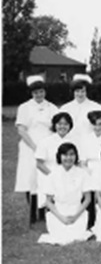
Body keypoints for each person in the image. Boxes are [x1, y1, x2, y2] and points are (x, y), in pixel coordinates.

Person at [14, 75, 58, 221]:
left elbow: (57, 128)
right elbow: (21, 130)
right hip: (29, 147)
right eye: (35, 93)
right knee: (30, 178)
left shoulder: (52, 107)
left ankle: (45, 211)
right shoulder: (24, 107)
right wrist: (34, 147)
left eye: (41, 92)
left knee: (46, 177)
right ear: (31, 93)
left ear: (45, 91)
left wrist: (48, 146)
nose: (39, 95)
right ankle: (32, 213)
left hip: (48, 147)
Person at [38, 143, 94, 245]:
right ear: (59, 156)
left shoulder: (83, 174)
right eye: (65, 155)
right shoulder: (52, 175)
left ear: (76, 156)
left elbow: (87, 199)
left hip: (77, 212)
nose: (68, 158)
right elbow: (49, 201)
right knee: (59, 236)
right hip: (58, 213)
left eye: (72, 154)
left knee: (76, 235)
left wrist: (75, 216)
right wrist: (61, 217)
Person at [35, 112, 78, 208]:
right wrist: (54, 176)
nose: (62, 127)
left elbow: (78, 162)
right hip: (49, 173)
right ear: (54, 125)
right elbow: (39, 164)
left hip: (71, 174)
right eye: (59, 124)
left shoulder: (76, 141)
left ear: (70, 126)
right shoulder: (45, 142)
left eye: (66, 124)